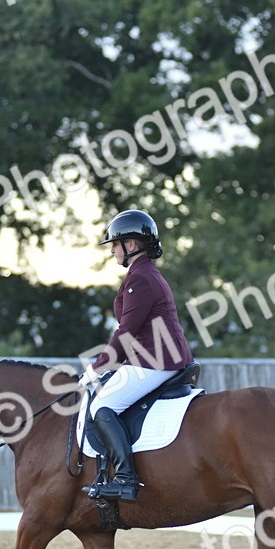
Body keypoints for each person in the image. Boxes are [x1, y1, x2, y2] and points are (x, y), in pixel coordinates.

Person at [79, 210, 194, 502]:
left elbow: (126, 331)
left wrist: (97, 367)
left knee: (102, 408)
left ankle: (126, 479)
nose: (113, 250)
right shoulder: (145, 274)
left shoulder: (140, 278)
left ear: (131, 245)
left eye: (115, 244)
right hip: (156, 357)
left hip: (155, 361)